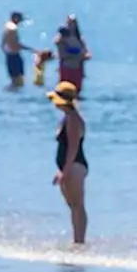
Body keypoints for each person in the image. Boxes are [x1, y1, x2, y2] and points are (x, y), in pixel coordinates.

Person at [49, 81, 88, 245]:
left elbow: (72, 148)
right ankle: (76, 240)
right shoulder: (67, 117)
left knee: (78, 206)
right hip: (68, 166)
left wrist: (65, 171)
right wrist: (61, 171)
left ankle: (79, 241)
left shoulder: (73, 119)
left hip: (75, 166)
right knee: (73, 205)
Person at [55, 18, 90, 91]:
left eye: (72, 24)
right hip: (66, 67)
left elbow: (86, 53)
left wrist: (82, 55)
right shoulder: (61, 39)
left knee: (76, 90)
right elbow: (62, 53)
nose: (71, 26)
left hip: (77, 68)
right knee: (64, 90)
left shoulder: (79, 39)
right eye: (69, 24)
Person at [1, 12, 30, 89]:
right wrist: (29, 49)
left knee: (13, 79)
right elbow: (15, 44)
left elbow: (3, 44)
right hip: (14, 55)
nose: (20, 22)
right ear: (15, 18)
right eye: (19, 20)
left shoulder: (6, 26)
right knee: (19, 80)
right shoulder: (13, 28)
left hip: (9, 55)